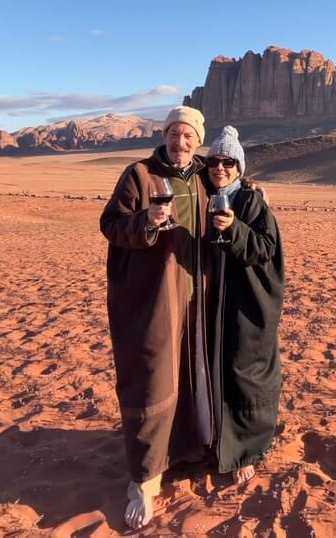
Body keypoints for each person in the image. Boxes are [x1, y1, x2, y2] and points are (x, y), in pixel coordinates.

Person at [99, 106, 216, 530]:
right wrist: (144, 221)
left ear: (197, 140)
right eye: (173, 133)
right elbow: (110, 223)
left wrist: (256, 193)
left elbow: (234, 188)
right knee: (152, 378)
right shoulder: (140, 175)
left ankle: (189, 450)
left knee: (194, 375)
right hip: (154, 300)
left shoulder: (205, 175)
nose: (179, 142)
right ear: (163, 135)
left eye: (188, 135)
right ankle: (144, 479)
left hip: (198, 299)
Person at [204, 126, 285, 485]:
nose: (219, 167)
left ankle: (246, 451)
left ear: (239, 165)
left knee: (244, 372)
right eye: (214, 161)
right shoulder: (206, 197)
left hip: (245, 306)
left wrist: (234, 228)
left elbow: (265, 249)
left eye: (227, 161)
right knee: (214, 369)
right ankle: (216, 438)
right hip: (213, 303)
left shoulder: (251, 202)